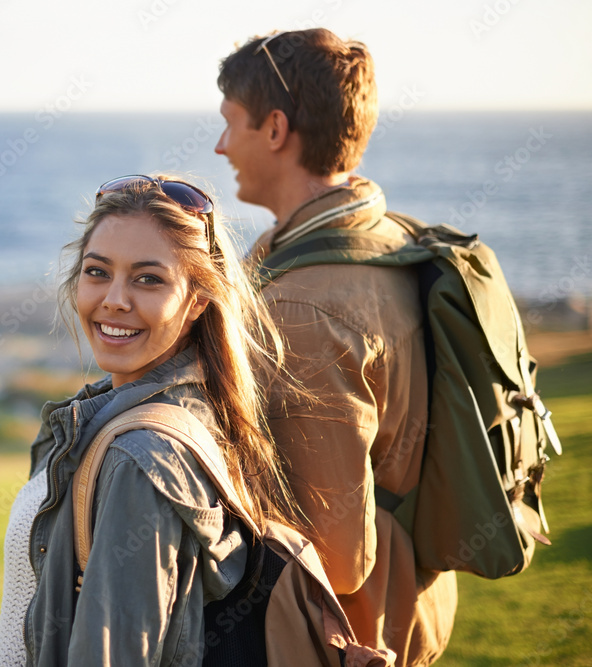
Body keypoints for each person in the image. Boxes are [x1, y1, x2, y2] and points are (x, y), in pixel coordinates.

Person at [0, 175, 391, 666]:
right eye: (97, 272)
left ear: (198, 300)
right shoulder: (193, 410)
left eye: (148, 279)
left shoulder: (141, 460)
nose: (114, 299)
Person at [214, 29, 458, 666]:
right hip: (414, 603)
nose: (219, 146)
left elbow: (339, 556)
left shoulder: (302, 307)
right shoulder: (381, 234)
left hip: (347, 634)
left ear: (273, 129)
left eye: (229, 124)